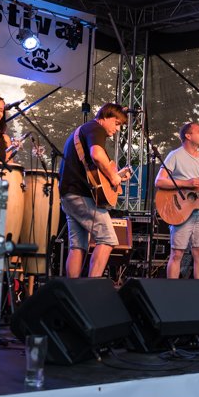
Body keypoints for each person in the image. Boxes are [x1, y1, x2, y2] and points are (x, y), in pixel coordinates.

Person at [58, 103, 131, 278]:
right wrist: (113, 177)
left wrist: (116, 175)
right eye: (117, 123)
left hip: (69, 194)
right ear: (105, 117)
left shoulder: (83, 130)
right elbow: (97, 155)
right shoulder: (96, 128)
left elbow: (93, 170)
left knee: (78, 246)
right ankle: (92, 286)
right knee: (107, 239)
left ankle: (72, 289)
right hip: (81, 195)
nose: (117, 129)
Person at [155, 122, 199, 279]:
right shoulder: (175, 155)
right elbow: (159, 181)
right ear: (188, 136)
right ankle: (171, 289)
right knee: (177, 253)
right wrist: (185, 183)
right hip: (180, 211)